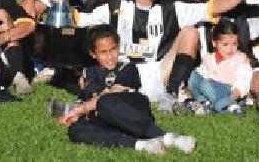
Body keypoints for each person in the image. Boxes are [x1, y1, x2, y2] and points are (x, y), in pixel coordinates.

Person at [68, 0, 259, 113]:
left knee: (190, 32)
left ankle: (170, 94)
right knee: (87, 79)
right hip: (124, 71)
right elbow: (78, 21)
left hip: (160, 71)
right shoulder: (115, 5)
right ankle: (87, 102)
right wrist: (61, 2)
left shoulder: (172, 5)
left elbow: (214, 7)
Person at [58, 25, 196, 155]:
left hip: (131, 109)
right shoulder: (88, 73)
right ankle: (141, 144)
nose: (110, 56)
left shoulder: (128, 69)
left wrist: (80, 109)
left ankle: (169, 138)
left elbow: (109, 95)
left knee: (105, 103)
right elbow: (88, 96)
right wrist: (76, 115)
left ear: (118, 47)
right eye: (103, 52)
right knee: (75, 130)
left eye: (113, 49)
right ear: (93, 54)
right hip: (105, 117)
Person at [185, 20, 253, 115]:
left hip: (230, 92)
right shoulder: (209, 58)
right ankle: (204, 103)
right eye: (225, 44)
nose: (230, 49)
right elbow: (201, 74)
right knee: (193, 77)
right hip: (210, 89)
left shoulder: (240, 58)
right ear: (214, 43)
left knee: (207, 84)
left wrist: (238, 90)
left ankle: (230, 106)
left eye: (234, 44)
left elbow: (244, 77)